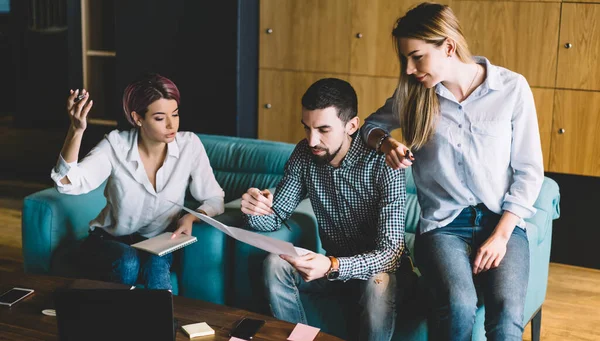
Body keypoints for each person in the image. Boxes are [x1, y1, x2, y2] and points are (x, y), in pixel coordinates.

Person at [361, 2, 544, 340]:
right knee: (459, 304)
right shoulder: (414, 96)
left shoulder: (512, 89)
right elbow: (367, 127)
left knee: (506, 314)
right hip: (443, 227)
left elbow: (530, 170)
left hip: (499, 220)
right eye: (405, 59)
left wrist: (501, 236)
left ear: (447, 46)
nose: (410, 68)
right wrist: (386, 143)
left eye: (417, 56)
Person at [240, 78, 411, 341]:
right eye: (307, 128)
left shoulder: (383, 163)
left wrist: (332, 265)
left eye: (323, 129)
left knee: (379, 281)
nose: (312, 140)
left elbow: (390, 255)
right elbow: (275, 217)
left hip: (381, 279)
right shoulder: (304, 154)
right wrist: (255, 209)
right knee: (275, 263)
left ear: (352, 125)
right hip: (333, 274)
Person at [50, 73, 225, 290]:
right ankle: (115, 321)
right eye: (160, 118)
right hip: (110, 241)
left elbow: (214, 198)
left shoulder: (189, 145)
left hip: (157, 242)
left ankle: (161, 324)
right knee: (128, 261)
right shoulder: (115, 145)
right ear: (138, 118)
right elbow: (67, 183)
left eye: (176, 114)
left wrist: (190, 218)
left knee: (157, 263)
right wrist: (76, 130)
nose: (172, 125)